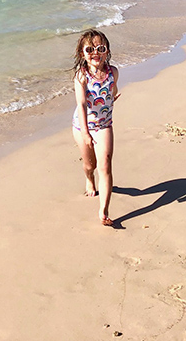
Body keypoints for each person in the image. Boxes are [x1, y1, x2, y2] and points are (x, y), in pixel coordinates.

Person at [72, 29, 119, 226]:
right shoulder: (81, 76)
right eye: (89, 49)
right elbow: (82, 104)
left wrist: (112, 97)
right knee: (89, 165)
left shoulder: (113, 72)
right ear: (82, 54)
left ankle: (103, 210)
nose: (95, 53)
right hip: (82, 125)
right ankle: (89, 179)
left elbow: (112, 88)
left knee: (105, 165)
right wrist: (85, 132)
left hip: (104, 125)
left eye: (100, 48)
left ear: (107, 50)